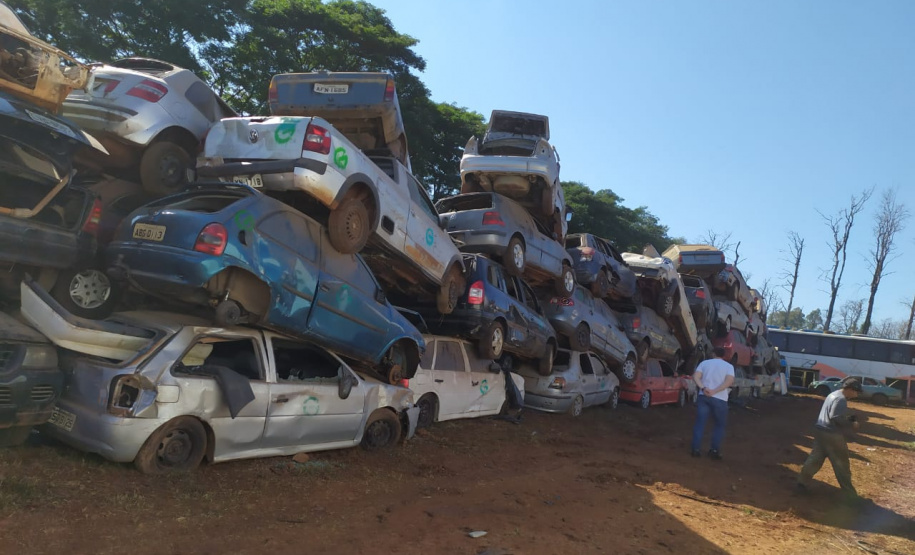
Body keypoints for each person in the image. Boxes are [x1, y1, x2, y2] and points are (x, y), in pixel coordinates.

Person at [796, 378, 863, 503]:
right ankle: (851, 496)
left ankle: (801, 483)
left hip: (820, 430)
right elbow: (835, 418)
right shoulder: (841, 399)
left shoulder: (832, 394)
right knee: (842, 465)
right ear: (849, 389)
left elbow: (831, 414)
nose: (856, 395)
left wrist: (847, 417)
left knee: (815, 459)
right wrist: (852, 423)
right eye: (856, 392)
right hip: (832, 435)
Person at [690, 347, 735, 460]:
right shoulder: (729, 367)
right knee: (719, 425)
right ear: (724, 355)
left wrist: (703, 388)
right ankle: (714, 450)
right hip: (720, 398)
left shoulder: (704, 363)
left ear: (713, 353)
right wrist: (715, 391)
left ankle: (695, 449)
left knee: (700, 423)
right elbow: (729, 382)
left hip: (704, 396)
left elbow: (696, 377)